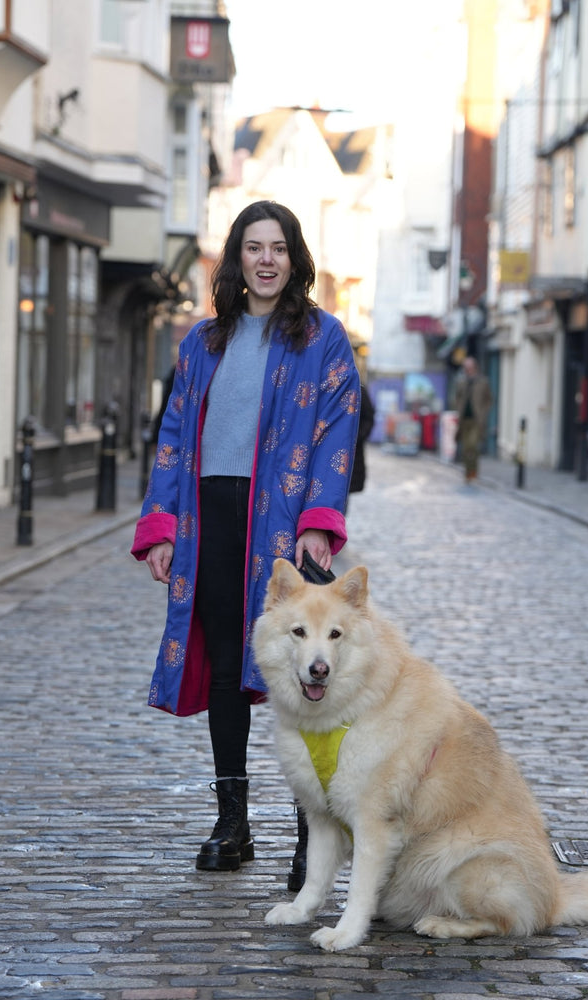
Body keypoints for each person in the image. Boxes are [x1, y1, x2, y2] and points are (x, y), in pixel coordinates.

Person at [131, 200, 360, 885]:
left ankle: (308, 832)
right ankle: (232, 821)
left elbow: (337, 430)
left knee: (302, 673)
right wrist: (163, 527)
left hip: (287, 527)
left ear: (294, 260)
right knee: (230, 665)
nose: (266, 260)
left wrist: (321, 517)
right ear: (237, 260)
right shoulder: (203, 341)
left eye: (278, 248)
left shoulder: (323, 339)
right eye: (253, 248)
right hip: (211, 518)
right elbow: (174, 434)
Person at [454, 355, 492, 483]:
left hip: (477, 419)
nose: (467, 369)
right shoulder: (461, 381)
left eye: (469, 367)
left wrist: (483, 412)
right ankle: (467, 472)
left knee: (473, 445)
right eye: (465, 367)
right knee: (465, 447)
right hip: (464, 418)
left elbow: (489, 399)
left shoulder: (483, 381)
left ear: (474, 367)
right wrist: (458, 408)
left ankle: (474, 471)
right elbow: (457, 397)